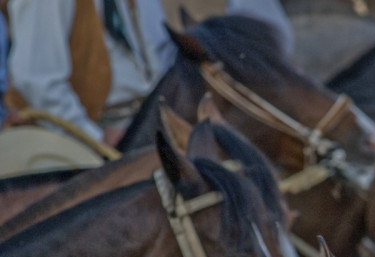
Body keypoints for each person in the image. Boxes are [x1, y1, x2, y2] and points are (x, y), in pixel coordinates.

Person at [3, 0, 293, 147]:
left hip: (151, 117)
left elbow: (160, 60)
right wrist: (96, 140)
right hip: (84, 132)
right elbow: (37, 81)